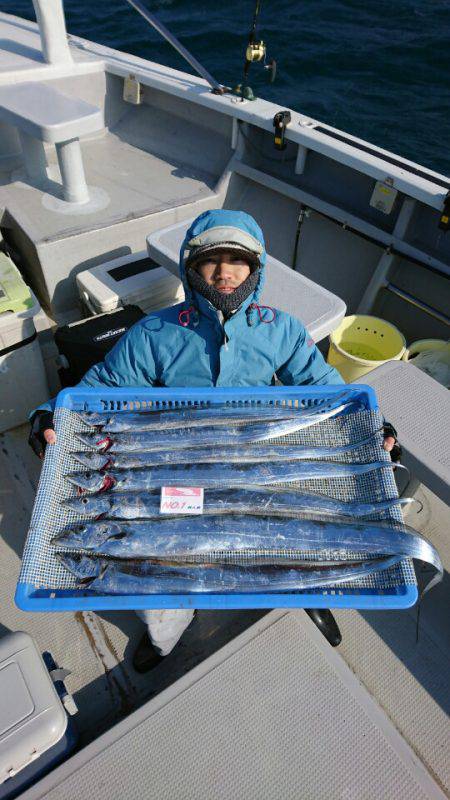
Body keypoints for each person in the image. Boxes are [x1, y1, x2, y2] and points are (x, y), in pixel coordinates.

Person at [29, 209, 397, 672]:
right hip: (180, 464)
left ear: (256, 269)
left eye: (237, 260)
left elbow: (325, 389)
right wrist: (46, 411)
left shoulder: (280, 328)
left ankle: (303, 593)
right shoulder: (154, 333)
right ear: (190, 267)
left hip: (261, 458)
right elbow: (100, 388)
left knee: (284, 532)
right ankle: (167, 628)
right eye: (210, 261)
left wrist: (376, 428)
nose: (224, 272)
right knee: (163, 547)